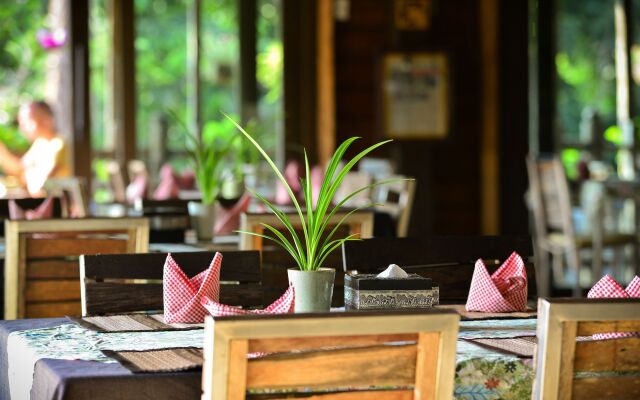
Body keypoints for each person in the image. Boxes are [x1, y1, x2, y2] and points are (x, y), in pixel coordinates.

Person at [0, 101, 70, 195]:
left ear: (47, 120)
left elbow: (40, 186)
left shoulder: (58, 145)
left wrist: (27, 176)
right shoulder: (40, 144)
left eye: (27, 121)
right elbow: (20, 169)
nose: (22, 128)